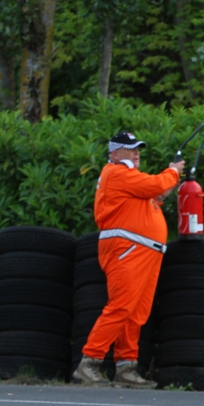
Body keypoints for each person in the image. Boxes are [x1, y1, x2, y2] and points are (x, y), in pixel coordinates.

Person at [73, 131, 185, 388]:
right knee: (122, 307)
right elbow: (154, 186)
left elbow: (154, 194)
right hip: (128, 248)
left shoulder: (127, 178)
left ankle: (126, 367)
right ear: (114, 153)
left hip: (142, 250)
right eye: (130, 148)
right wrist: (173, 172)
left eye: (137, 149)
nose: (136, 153)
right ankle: (89, 362)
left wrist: (167, 185)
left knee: (135, 312)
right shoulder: (117, 173)